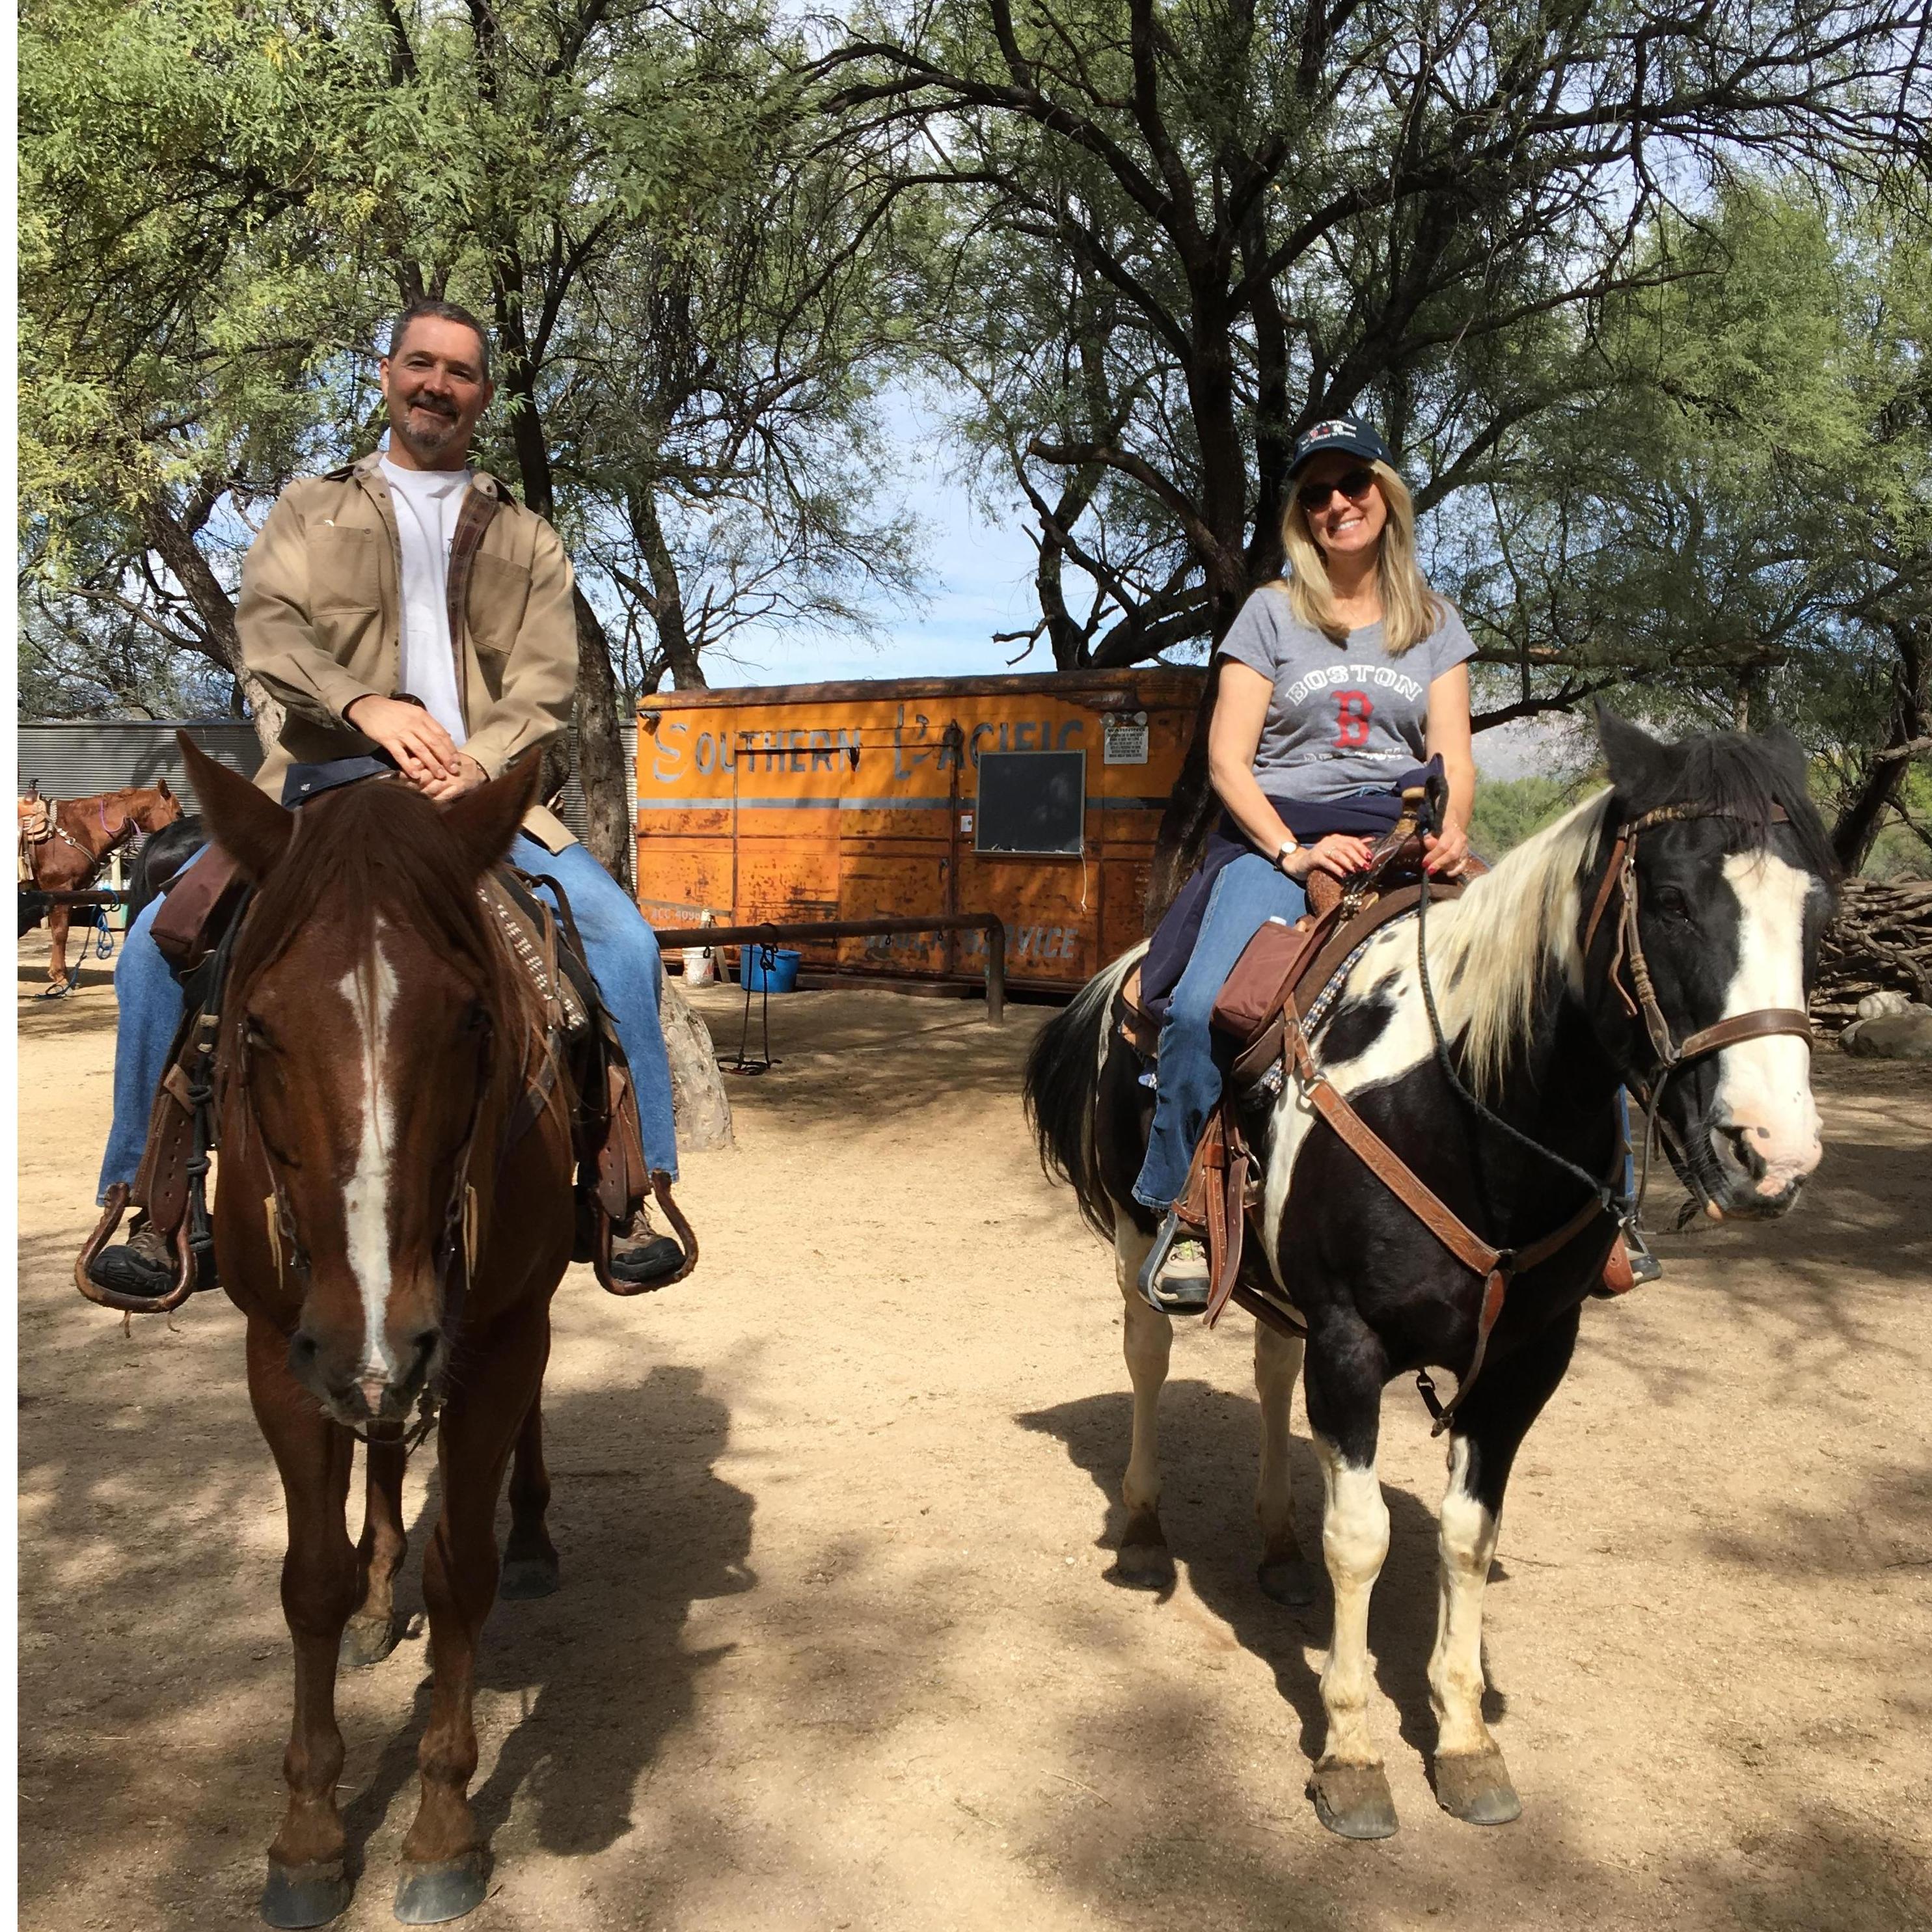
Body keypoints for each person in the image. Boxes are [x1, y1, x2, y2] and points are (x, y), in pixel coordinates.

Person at [89, 299, 687, 1295]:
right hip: (320, 794)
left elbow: (546, 681)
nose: (436, 386)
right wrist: (363, 704)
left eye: (459, 373)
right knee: (157, 950)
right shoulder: (305, 511)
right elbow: (270, 633)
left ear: (482, 396)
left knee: (621, 944)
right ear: (385, 374)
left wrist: (477, 761)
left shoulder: (529, 538)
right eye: (420, 364)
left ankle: (626, 1195)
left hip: (475, 799)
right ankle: (153, 1203)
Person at [1133, 415, 1477, 1305]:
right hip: (1276, 835)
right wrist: (1290, 850)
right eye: (1315, 491)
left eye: (1351, 484)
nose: (1336, 503)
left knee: (1558, 953)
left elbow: (1455, 753)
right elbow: (1224, 761)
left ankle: (1603, 1209)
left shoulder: (1433, 622)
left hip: (1402, 833)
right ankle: (1184, 1213)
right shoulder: (1269, 611)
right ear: (1300, 511)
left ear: (1383, 494)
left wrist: (1453, 831)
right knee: (1205, 1006)